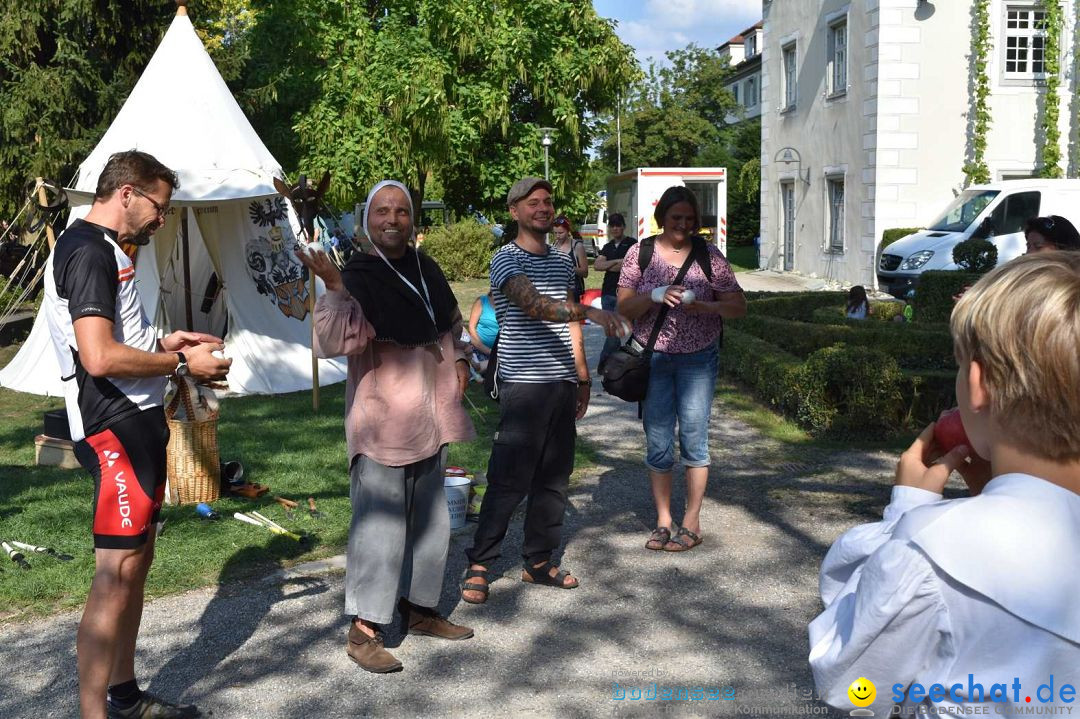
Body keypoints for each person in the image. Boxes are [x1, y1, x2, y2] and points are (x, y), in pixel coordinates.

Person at [809, 251, 1080, 715]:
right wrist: (986, 498)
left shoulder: (931, 549)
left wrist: (908, 512)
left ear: (979, 383)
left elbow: (851, 681)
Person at [41, 150, 231, 719]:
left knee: (136, 566)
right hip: (110, 428)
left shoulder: (110, 250)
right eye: (159, 206)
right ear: (126, 193)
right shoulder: (86, 252)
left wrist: (163, 344)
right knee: (114, 576)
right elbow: (97, 357)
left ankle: (123, 695)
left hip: (138, 424)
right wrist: (179, 368)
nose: (161, 219)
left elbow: (115, 337)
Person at [298, 180, 476, 674]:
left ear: (412, 219)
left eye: (401, 210)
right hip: (382, 421)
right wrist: (333, 287)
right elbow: (333, 341)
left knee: (430, 523)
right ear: (366, 219)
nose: (393, 219)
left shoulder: (426, 268)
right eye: (383, 212)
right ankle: (365, 630)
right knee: (379, 528)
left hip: (431, 413)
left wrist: (459, 359)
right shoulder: (356, 273)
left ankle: (419, 610)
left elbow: (449, 326)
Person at [461, 177, 627, 604]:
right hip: (523, 385)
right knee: (508, 479)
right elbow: (534, 305)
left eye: (548, 202)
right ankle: (480, 563)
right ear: (514, 211)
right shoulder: (505, 259)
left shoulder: (560, 262)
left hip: (560, 384)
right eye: (532, 202)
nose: (543, 208)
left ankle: (537, 561)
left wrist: (582, 378)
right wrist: (589, 310)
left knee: (554, 479)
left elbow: (569, 324)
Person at [616, 186, 746, 553]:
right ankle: (662, 520)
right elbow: (623, 307)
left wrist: (705, 307)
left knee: (694, 438)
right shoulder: (639, 253)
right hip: (653, 357)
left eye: (690, 219)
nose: (683, 225)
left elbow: (739, 306)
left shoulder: (710, 255)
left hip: (698, 358)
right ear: (662, 218)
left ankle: (691, 520)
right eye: (676, 218)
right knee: (657, 441)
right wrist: (654, 296)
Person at [593, 212, 637, 371]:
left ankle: (604, 362)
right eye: (612, 225)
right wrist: (618, 261)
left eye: (618, 225)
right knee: (612, 330)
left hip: (625, 293)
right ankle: (616, 364)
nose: (615, 228)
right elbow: (597, 266)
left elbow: (629, 266)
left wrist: (610, 264)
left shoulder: (632, 244)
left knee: (616, 329)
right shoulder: (608, 246)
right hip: (608, 293)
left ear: (624, 227)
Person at [551, 215, 588, 301]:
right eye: (555, 233)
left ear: (568, 231)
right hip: (557, 291)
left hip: (574, 292)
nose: (557, 236)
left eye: (561, 233)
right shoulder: (553, 246)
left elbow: (585, 273)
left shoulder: (577, 246)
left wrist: (567, 266)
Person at [467, 290, 499, 373]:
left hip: (499, 352)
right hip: (479, 347)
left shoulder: (509, 305)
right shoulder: (482, 301)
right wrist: (485, 349)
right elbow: (471, 327)